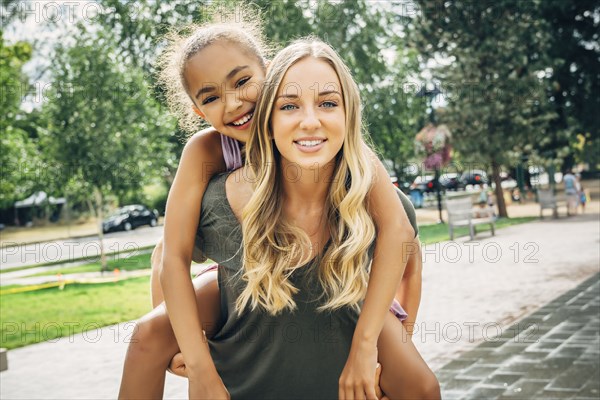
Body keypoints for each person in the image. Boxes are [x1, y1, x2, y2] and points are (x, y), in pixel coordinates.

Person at [119, 14, 437, 400]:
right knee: (148, 335)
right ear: (199, 112)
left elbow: (405, 242)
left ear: (269, 75)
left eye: (242, 82)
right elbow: (168, 257)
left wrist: (401, 330)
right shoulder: (205, 151)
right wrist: (192, 356)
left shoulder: (326, 138)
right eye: (211, 97)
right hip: (246, 268)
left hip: (332, 272)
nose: (234, 103)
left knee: (422, 386)